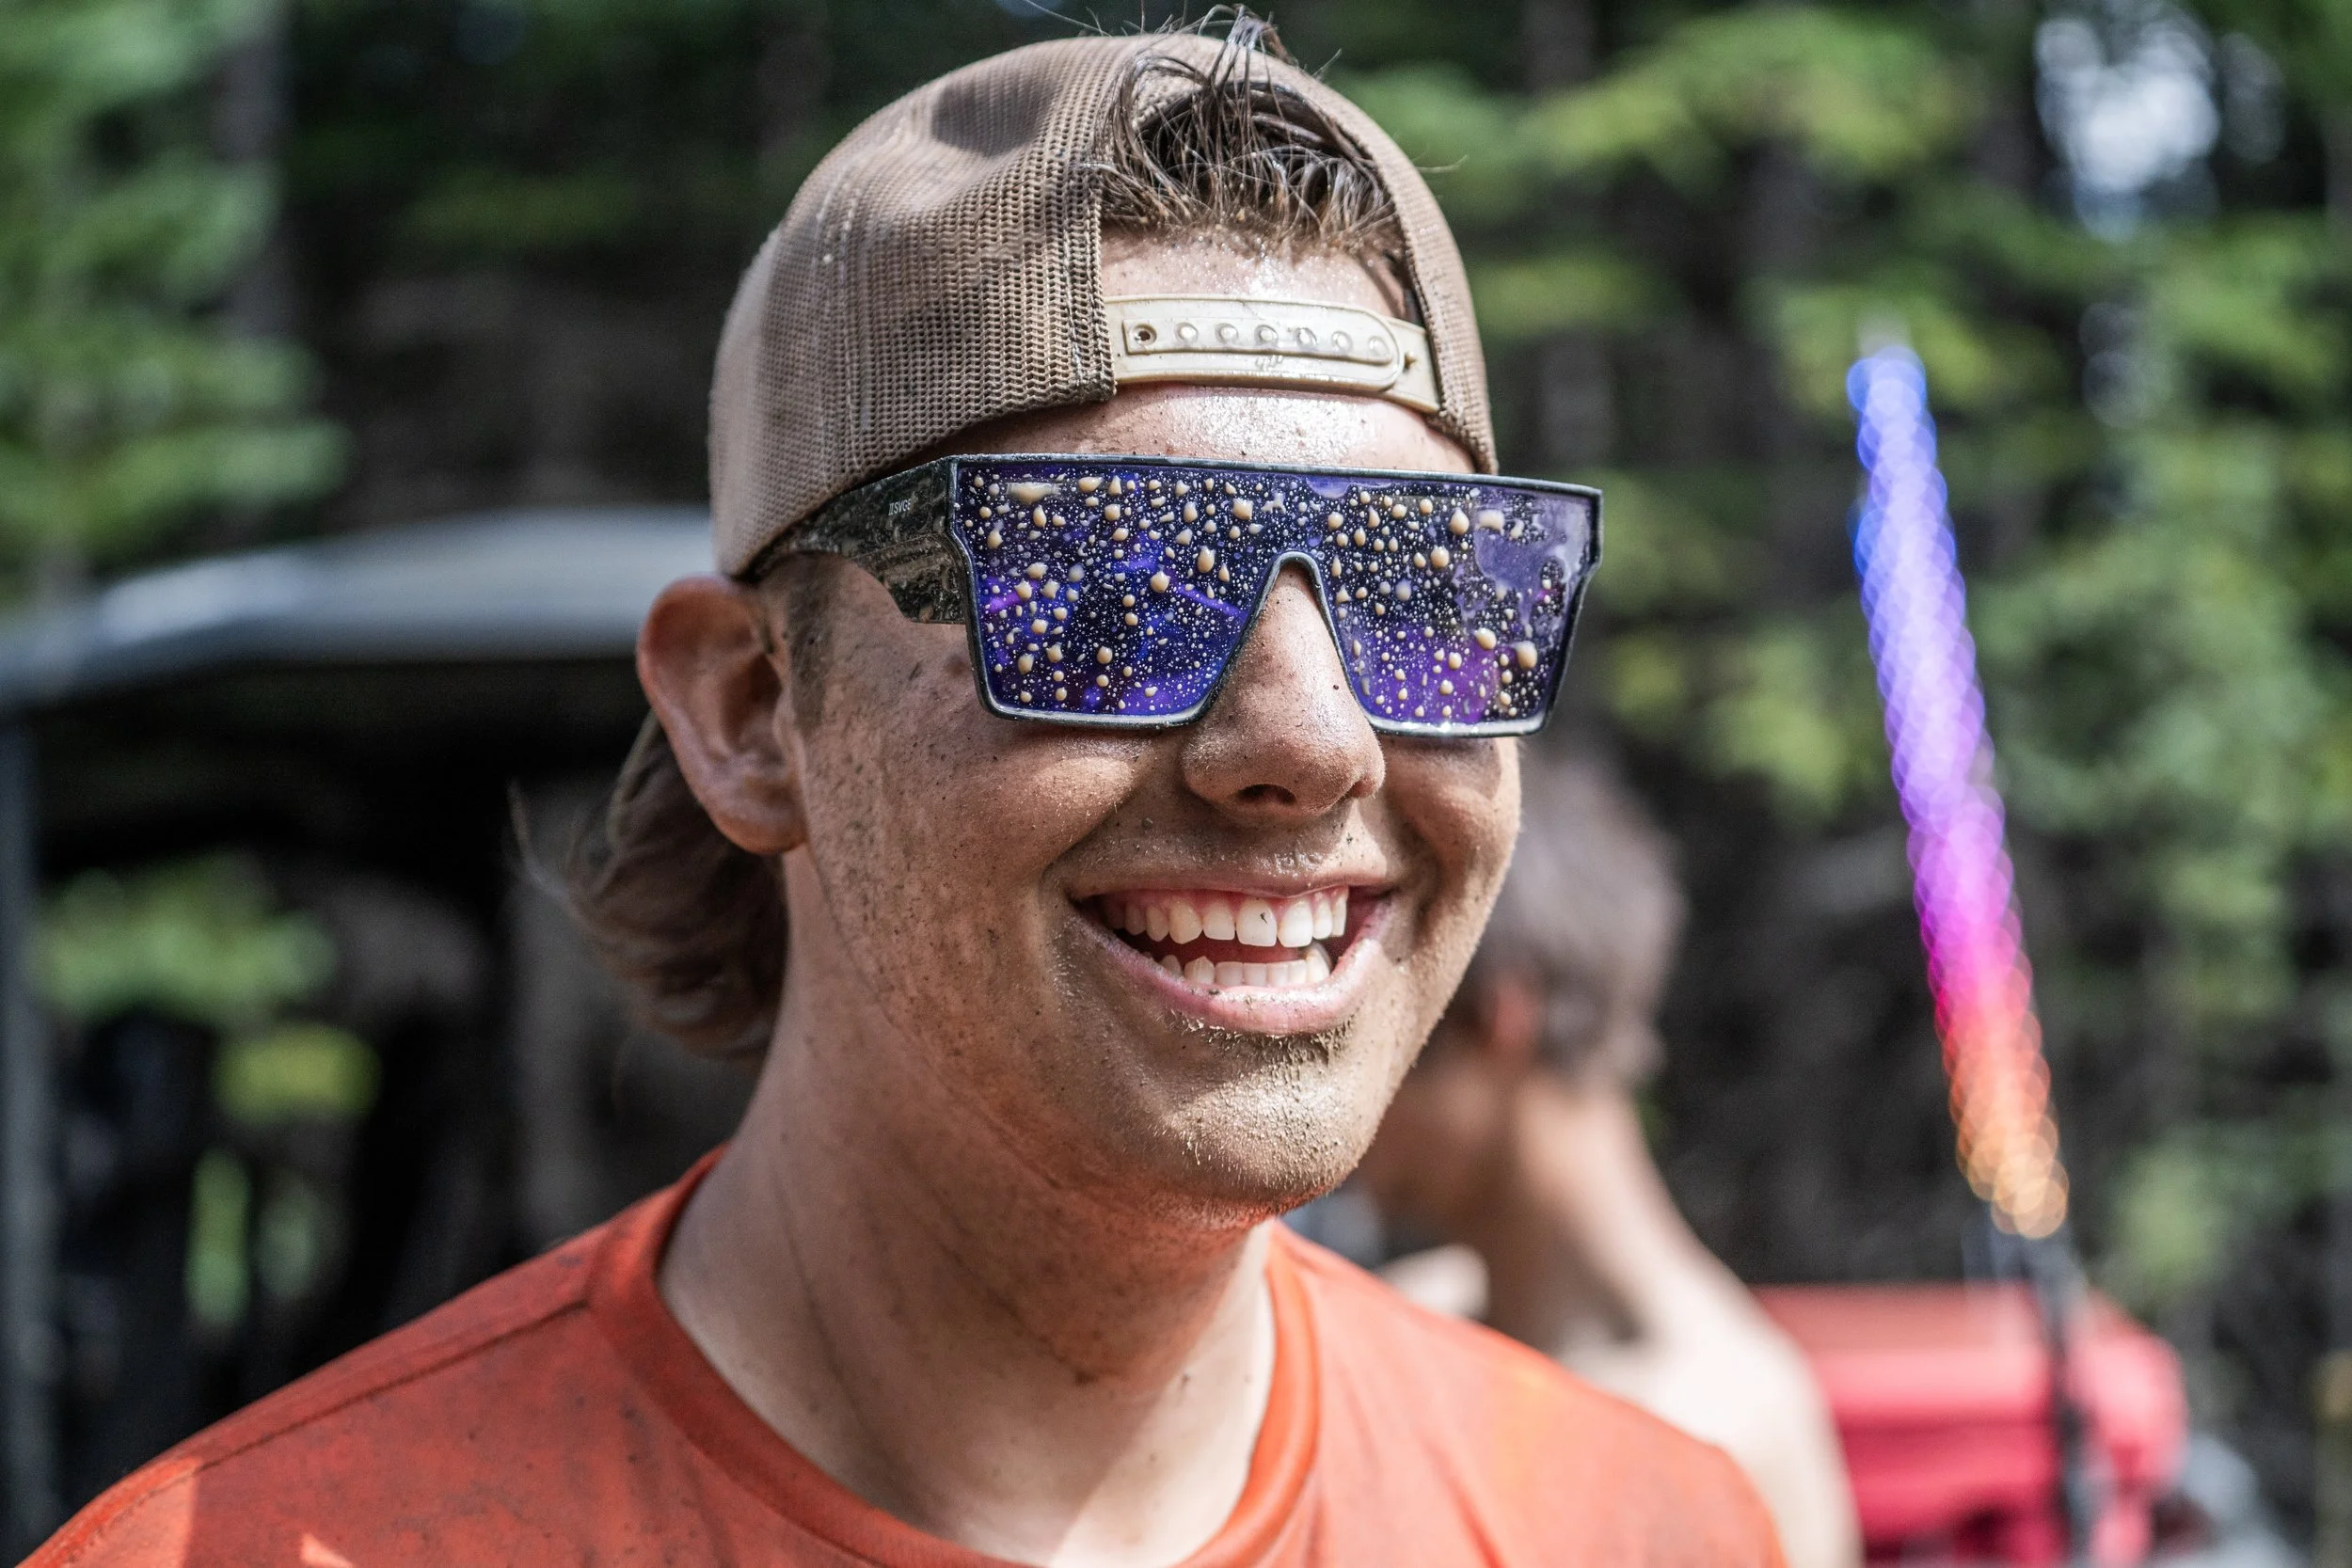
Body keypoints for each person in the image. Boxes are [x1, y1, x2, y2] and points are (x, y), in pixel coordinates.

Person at [34, 24, 1785, 1567]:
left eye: (1430, 589)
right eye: (1109, 582)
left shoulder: (1638, 1527)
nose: (1313, 740)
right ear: (748, 707)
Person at [1354, 748, 1859, 1568]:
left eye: (1383, 1036)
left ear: (1499, 1020)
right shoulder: (1417, 1317)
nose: (1350, 1101)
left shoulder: (1705, 1433)